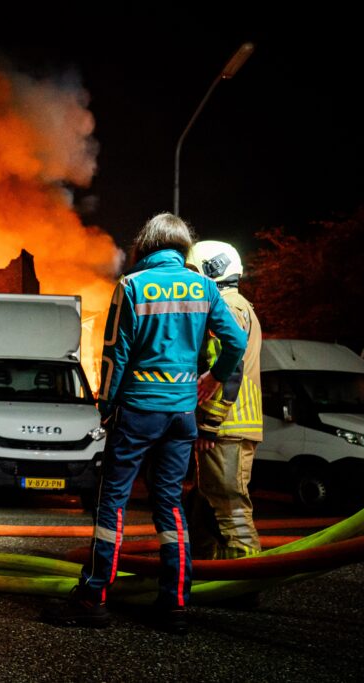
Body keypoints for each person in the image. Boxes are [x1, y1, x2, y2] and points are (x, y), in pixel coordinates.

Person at [43, 213, 247, 634]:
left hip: (137, 410)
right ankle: (174, 604)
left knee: (112, 503)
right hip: (182, 415)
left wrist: (105, 405)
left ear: (145, 247)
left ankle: (94, 596)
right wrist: (212, 376)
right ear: (181, 248)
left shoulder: (132, 286)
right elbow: (236, 342)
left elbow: (115, 353)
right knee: (170, 505)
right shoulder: (206, 288)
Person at [185, 241, 263, 561]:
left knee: (229, 506)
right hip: (233, 424)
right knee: (201, 505)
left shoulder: (226, 307)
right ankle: (204, 571)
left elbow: (229, 369)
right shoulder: (241, 304)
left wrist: (208, 424)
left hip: (226, 428)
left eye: (192, 273)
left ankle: (244, 581)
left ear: (210, 270)